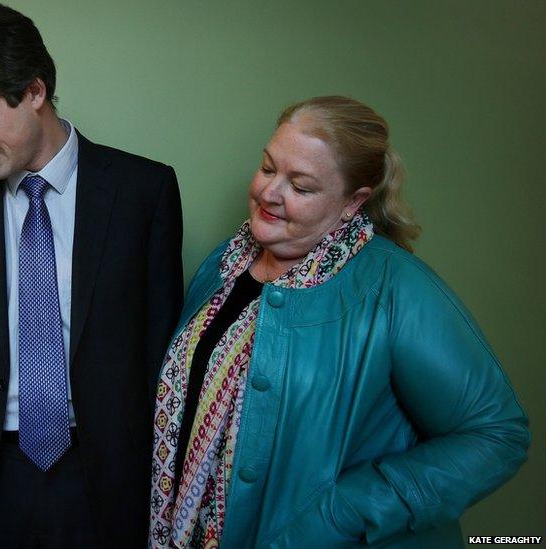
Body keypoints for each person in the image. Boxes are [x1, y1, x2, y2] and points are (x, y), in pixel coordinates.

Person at [148, 95, 529, 548]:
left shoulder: (395, 288)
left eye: (301, 186)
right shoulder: (224, 264)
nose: (270, 194)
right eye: (269, 168)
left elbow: (497, 434)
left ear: (354, 201)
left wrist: (343, 513)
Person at [0, 1, 184, 546]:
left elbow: (162, 355)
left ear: (34, 92)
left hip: (106, 479)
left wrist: (162, 487)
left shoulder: (143, 192)